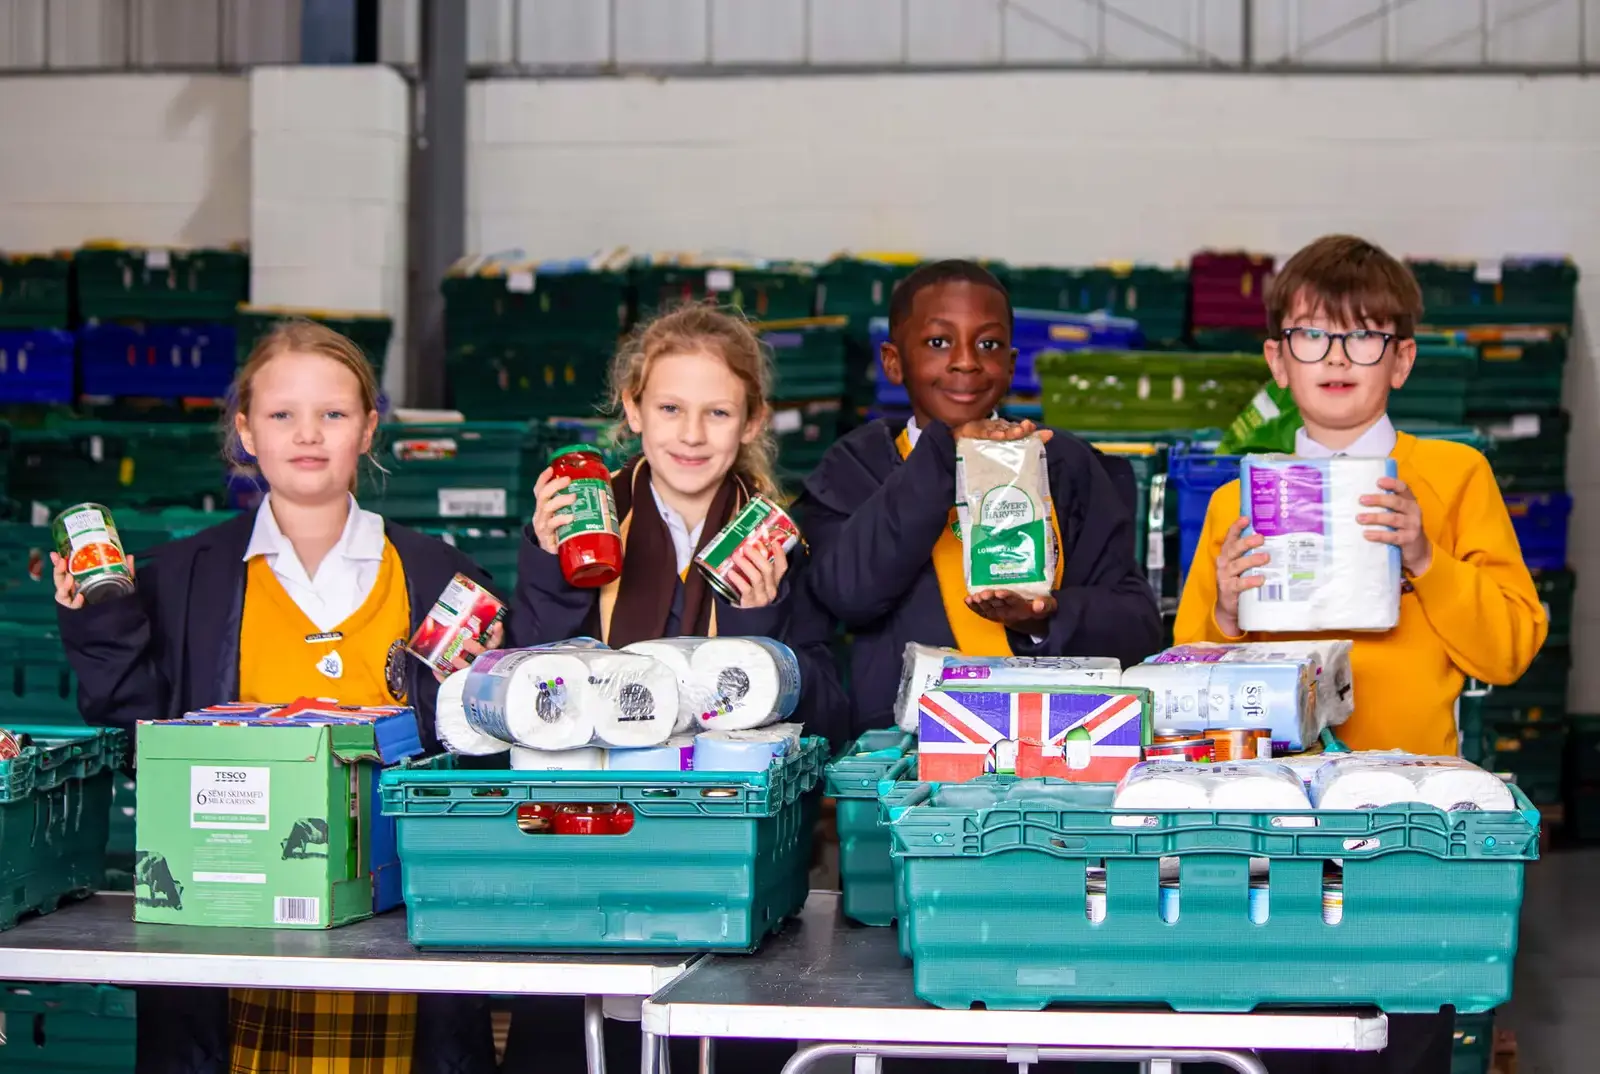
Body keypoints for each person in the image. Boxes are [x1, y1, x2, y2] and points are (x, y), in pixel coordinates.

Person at [55, 320, 502, 1074]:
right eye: (281, 415)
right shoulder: (178, 576)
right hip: (232, 933)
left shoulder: (442, 579)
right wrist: (97, 623)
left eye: (333, 414)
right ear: (245, 433)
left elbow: (477, 755)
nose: (308, 435)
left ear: (368, 429)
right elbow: (139, 737)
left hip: (396, 932)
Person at [1175, 234, 1547, 1073]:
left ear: (1402, 359)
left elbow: (1514, 644)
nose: (1337, 356)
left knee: (1403, 1038)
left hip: (1412, 827)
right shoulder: (1239, 499)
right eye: (1312, 335)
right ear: (1277, 360)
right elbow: (1187, 691)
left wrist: (1423, 558)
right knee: (1279, 1036)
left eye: (1365, 336)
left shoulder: (1452, 480)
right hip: (1272, 827)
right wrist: (1228, 613)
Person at [507, 303, 843, 1073]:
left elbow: (832, 711)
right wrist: (547, 561)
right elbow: (526, 692)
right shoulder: (585, 520)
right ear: (632, 410)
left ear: (754, 421)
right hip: (585, 848)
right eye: (669, 408)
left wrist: (764, 629)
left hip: (730, 858)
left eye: (717, 412)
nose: (691, 435)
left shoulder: (782, 541)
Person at [795, 259, 1164, 742]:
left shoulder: (1064, 463)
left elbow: (1137, 625)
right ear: (893, 361)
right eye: (938, 342)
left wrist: (1041, 618)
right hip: (906, 753)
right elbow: (848, 592)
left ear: (1011, 364)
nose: (966, 360)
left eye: (987, 344)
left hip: (1053, 741)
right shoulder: (857, 467)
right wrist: (945, 455)